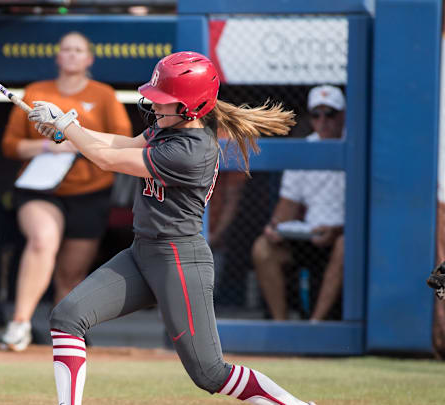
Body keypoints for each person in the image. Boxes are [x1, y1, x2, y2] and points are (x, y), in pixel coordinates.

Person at [28, 52, 318, 405]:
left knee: (210, 373)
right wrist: (65, 130)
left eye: (165, 100)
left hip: (178, 260)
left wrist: (68, 126)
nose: (154, 104)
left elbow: (108, 160)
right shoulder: (169, 126)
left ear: (192, 107)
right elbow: (119, 144)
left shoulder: (191, 150)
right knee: (68, 317)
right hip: (142, 253)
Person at [0, 32, 131, 351]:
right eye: (66, 50)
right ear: (57, 57)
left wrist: (73, 139)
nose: (71, 55)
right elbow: (10, 145)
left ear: (89, 59)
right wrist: (49, 144)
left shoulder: (104, 95)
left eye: (78, 50)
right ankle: (19, 325)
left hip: (90, 192)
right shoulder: (36, 91)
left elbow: (122, 141)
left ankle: (64, 335)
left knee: (71, 273)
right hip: (40, 189)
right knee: (42, 240)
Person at [251, 85, 346, 322]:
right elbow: (288, 205)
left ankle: (315, 325)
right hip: (309, 235)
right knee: (263, 248)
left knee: (345, 245)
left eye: (330, 114)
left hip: (343, 236)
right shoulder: (304, 149)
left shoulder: (357, 145)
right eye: (317, 114)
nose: (323, 121)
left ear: (343, 115)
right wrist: (276, 226)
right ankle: (282, 326)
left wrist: (337, 231)